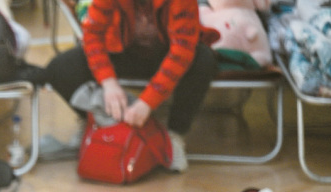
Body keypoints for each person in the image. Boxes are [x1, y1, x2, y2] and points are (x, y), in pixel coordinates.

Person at [42, 0, 218, 172]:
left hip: (167, 53)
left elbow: (182, 51)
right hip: (123, 52)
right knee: (60, 67)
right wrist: (108, 82)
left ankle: (173, 137)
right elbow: (92, 34)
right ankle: (99, 120)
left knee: (204, 60)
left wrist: (147, 103)